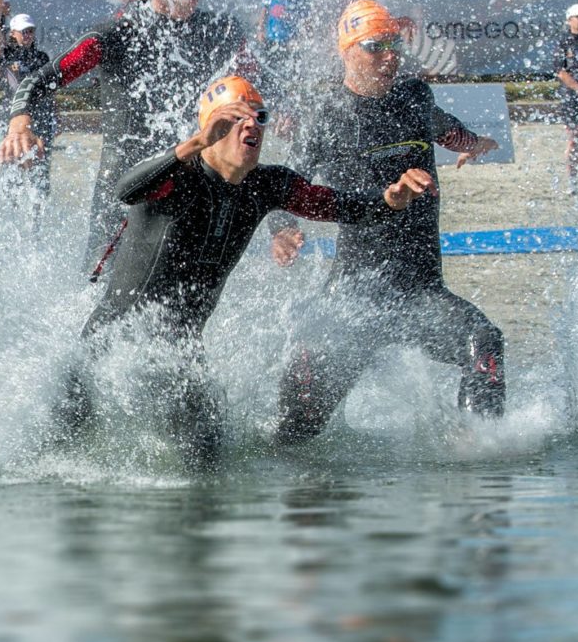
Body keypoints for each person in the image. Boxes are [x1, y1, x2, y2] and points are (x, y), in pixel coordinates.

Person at [64, 75, 425, 467]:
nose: (250, 124)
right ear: (211, 126)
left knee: (206, 449)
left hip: (178, 350)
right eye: (235, 117)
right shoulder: (175, 177)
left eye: (259, 117)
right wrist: (197, 143)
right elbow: (126, 191)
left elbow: (340, 206)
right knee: (63, 452)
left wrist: (390, 200)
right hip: (113, 344)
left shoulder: (267, 185)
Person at [271, 0, 504, 442]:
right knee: (296, 431)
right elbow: (284, 185)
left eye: (394, 43)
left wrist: (473, 143)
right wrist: (282, 230)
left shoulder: (416, 96)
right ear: (347, 50)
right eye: (375, 46)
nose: (390, 56)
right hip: (355, 298)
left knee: (484, 342)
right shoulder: (327, 114)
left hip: (420, 292)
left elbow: (443, 126)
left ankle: (482, 451)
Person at [0, 0, 255, 261]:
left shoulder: (222, 34)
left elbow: (253, 114)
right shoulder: (118, 35)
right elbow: (38, 80)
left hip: (189, 191)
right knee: (99, 295)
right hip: (124, 191)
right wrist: (19, 124)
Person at [0, 0, 55, 213]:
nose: (27, 35)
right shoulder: (6, 54)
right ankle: (11, 211)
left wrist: (57, 116)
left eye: (30, 31)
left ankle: (38, 214)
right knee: (13, 167)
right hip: (12, 118)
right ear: (13, 34)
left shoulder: (42, 56)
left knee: (40, 167)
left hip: (40, 117)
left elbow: (49, 89)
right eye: (23, 31)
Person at [555, 3, 578, 194]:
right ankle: (572, 180)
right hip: (572, 98)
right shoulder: (564, 42)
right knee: (575, 139)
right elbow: (560, 71)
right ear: (569, 20)